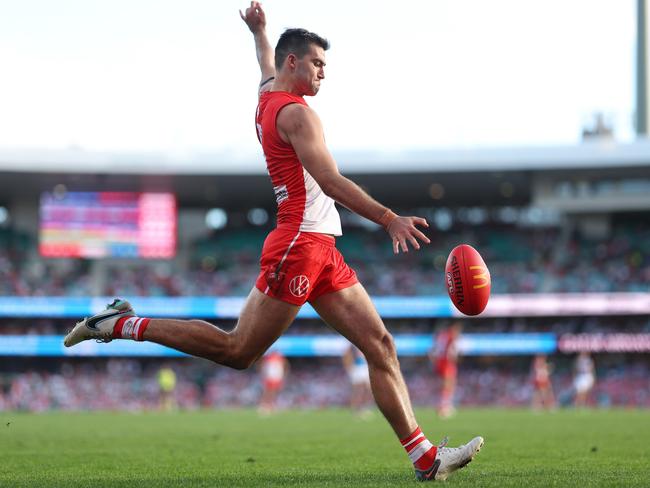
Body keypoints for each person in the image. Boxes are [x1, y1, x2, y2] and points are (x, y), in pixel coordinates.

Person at [64, 2, 483, 481]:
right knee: (237, 351)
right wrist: (388, 218)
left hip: (322, 249)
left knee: (380, 345)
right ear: (294, 63)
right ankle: (119, 324)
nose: (324, 73)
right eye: (318, 63)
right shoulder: (298, 117)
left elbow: (265, 63)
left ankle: (426, 460)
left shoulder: (268, 95)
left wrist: (259, 32)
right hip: (299, 245)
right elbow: (328, 180)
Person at [428, 322, 461, 418]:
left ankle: (444, 406)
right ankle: (444, 408)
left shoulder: (441, 335)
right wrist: (454, 358)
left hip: (440, 362)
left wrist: (434, 360)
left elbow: (432, 349)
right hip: (447, 362)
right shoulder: (451, 336)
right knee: (449, 385)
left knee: (445, 385)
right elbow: (452, 350)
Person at [343, 344, 373, 414]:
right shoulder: (352, 345)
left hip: (365, 367)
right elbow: (346, 356)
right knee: (358, 390)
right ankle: (356, 409)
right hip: (357, 368)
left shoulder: (365, 344)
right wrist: (349, 368)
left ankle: (363, 407)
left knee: (368, 389)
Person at [258, 349, 289, 414]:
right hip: (271, 376)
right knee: (268, 391)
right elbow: (263, 365)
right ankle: (264, 405)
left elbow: (285, 365)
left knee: (273, 391)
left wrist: (283, 374)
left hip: (276, 376)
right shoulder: (269, 358)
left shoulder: (279, 358)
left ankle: (271, 404)